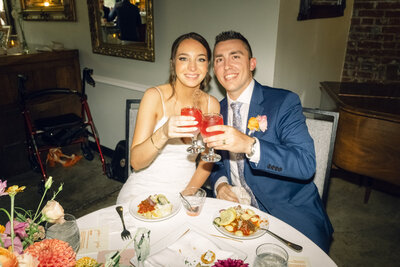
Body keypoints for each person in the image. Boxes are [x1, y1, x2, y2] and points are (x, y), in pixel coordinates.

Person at [203, 31, 333, 252]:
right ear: (214, 70)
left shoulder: (283, 102)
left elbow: (305, 164)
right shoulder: (216, 112)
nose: (227, 65)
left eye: (235, 56)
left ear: (252, 63)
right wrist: (221, 183)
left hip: (287, 215)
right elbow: (212, 161)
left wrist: (250, 146)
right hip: (236, 214)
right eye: (219, 60)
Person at [117, 32, 220, 204]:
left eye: (200, 59)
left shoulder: (212, 105)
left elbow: (206, 161)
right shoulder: (154, 96)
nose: (192, 67)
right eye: (183, 58)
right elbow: (136, 162)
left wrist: (186, 195)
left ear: (208, 64)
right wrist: (163, 133)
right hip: (144, 190)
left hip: (185, 190)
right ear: (173, 63)